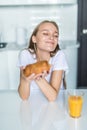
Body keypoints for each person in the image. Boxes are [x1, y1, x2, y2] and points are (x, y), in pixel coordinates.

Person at [17, 20, 69, 101]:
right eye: (45, 33)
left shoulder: (59, 56)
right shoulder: (25, 54)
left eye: (55, 35)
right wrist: (25, 80)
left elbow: (52, 97)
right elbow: (24, 97)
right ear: (34, 39)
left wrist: (39, 77)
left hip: (55, 105)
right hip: (32, 103)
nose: (52, 38)